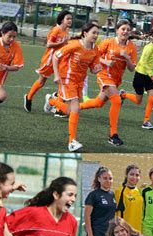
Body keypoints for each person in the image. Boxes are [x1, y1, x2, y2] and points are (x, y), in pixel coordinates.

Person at [78, 19, 137, 146]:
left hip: (116, 80)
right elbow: (95, 56)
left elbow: (132, 69)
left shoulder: (131, 47)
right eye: (123, 29)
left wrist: (127, 57)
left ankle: (61, 106)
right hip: (104, 75)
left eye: (128, 29)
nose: (125, 31)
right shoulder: (108, 42)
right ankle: (113, 135)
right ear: (117, 30)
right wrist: (106, 62)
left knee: (98, 103)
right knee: (116, 100)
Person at [45, 22, 102, 152]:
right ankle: (72, 142)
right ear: (85, 33)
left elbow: (93, 69)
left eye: (97, 33)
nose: (96, 35)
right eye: (93, 32)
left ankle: (51, 100)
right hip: (67, 79)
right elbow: (55, 56)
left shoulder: (95, 49)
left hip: (79, 82)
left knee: (69, 111)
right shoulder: (75, 45)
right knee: (76, 108)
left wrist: (97, 69)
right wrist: (56, 75)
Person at [120, 26, 153, 129]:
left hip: (150, 77)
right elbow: (142, 62)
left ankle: (146, 121)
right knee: (138, 101)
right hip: (140, 75)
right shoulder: (148, 47)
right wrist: (151, 74)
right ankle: (123, 94)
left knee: (151, 99)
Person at [23, 10, 72, 112]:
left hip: (61, 60)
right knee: (41, 81)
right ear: (62, 20)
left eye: (71, 18)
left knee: (63, 81)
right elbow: (49, 44)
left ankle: (57, 103)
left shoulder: (67, 31)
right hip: (50, 59)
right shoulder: (56, 30)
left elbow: (65, 45)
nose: (70, 20)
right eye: (68, 18)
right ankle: (29, 97)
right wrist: (62, 43)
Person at [115, 164, 143, 232]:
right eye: (131, 174)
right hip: (126, 232)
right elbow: (116, 213)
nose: (134, 177)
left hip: (139, 231)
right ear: (126, 175)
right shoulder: (119, 191)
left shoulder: (139, 191)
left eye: (137, 175)